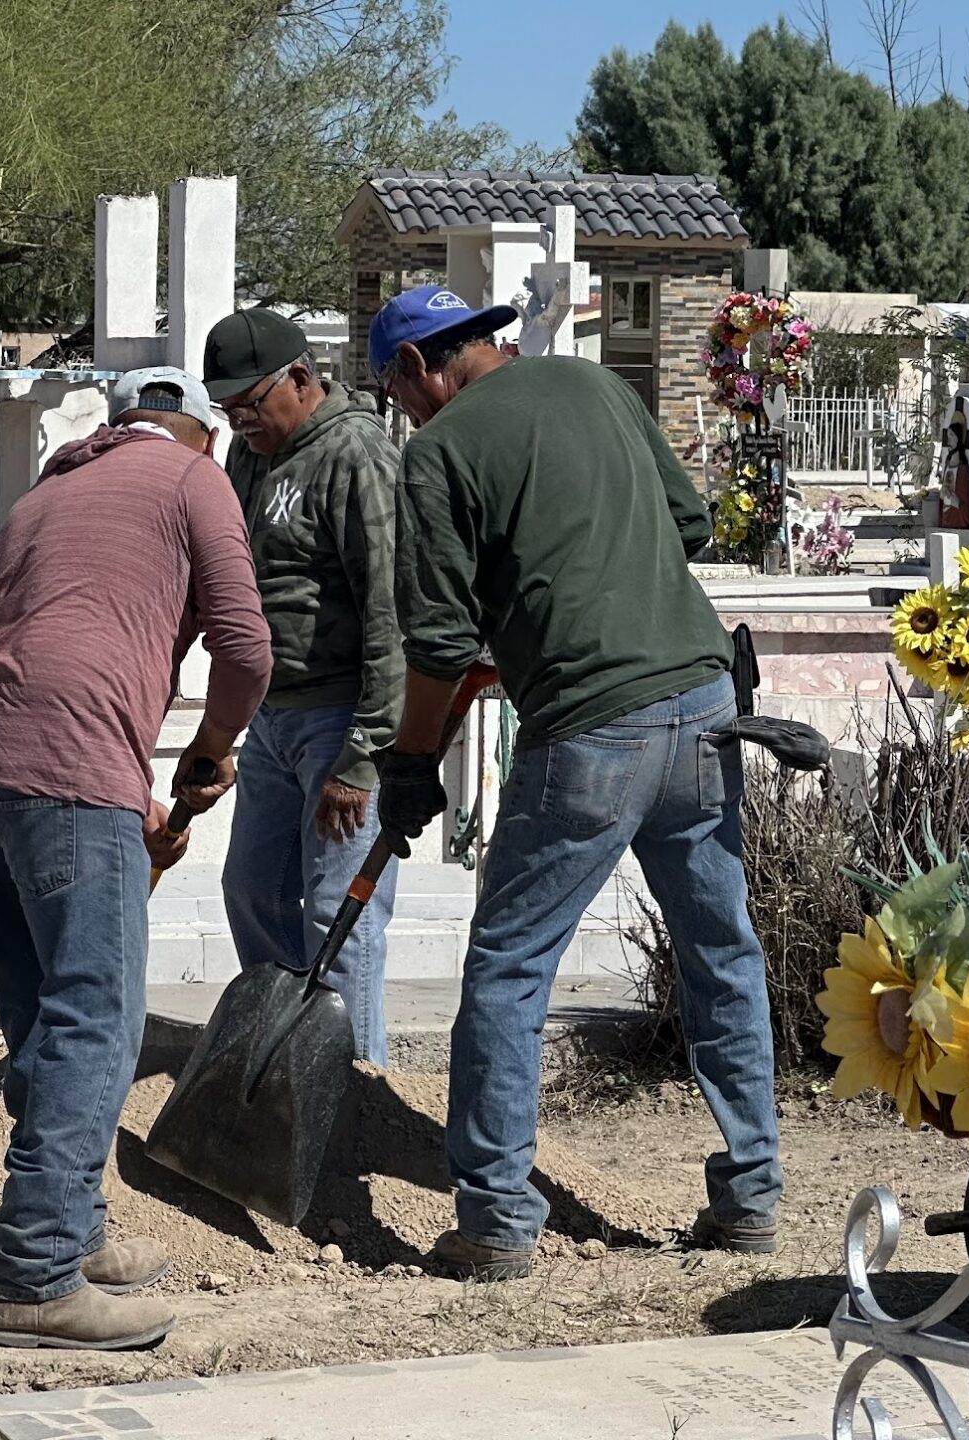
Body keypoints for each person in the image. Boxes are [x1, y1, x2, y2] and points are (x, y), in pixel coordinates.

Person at [370, 286, 781, 1281]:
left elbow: (434, 644)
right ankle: (752, 1199)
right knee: (720, 952)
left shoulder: (439, 450)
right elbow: (684, 529)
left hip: (591, 730)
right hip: (703, 701)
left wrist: (411, 764)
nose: (406, 410)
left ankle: (498, 1222)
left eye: (399, 391)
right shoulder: (598, 387)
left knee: (510, 967)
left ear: (418, 368)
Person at [0, 367, 271, 1350]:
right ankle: (37, 1275)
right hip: (72, 759)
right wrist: (211, 754)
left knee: (42, 1008)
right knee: (98, 1015)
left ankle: (72, 1235)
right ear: (198, 435)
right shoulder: (192, 478)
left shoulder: (49, 488)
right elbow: (246, 647)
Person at [201, 308, 405, 1064]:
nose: (241, 422)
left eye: (251, 404)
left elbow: (393, 610)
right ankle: (285, 1060)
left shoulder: (357, 455)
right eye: (228, 411)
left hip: (339, 718)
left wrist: (364, 753)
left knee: (337, 915)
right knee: (251, 890)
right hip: (271, 718)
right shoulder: (251, 459)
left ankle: (352, 1083)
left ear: (299, 378)